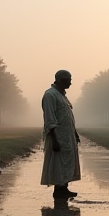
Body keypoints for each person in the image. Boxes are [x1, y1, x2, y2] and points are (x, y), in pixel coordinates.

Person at [40, 69, 81, 199]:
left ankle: (64, 187)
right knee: (58, 163)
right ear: (58, 80)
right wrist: (55, 139)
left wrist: (74, 133)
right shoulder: (50, 95)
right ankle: (58, 190)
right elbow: (50, 119)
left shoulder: (62, 95)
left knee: (67, 162)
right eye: (67, 80)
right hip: (57, 136)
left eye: (70, 80)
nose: (70, 83)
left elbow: (67, 116)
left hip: (67, 136)